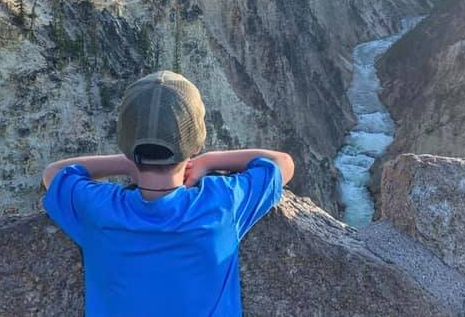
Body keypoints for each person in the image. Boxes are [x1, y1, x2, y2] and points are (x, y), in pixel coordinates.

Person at [42, 70, 295, 317]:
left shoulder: (98, 210)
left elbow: (53, 174)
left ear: (127, 145)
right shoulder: (222, 204)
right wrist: (209, 161)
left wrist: (125, 164)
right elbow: (282, 163)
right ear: (195, 144)